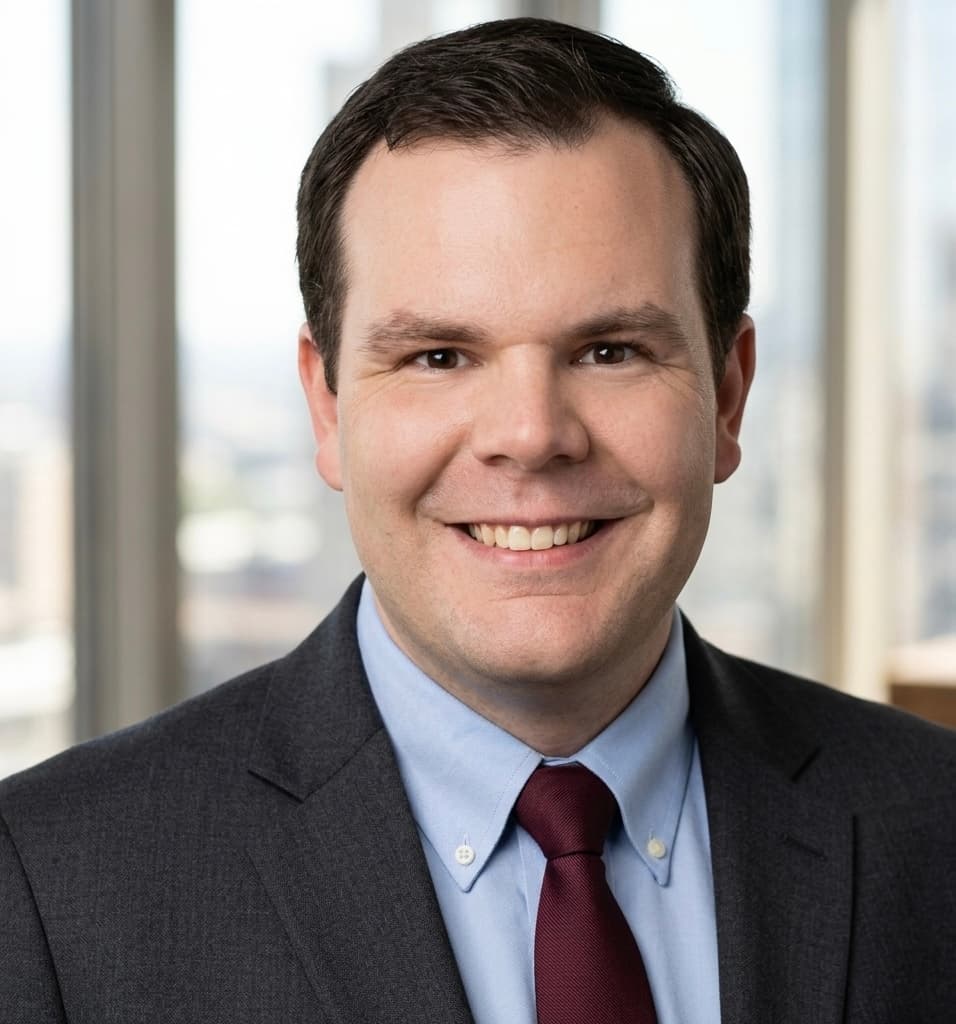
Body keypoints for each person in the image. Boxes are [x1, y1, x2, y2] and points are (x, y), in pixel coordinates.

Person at [2, 17, 954, 1024]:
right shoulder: (50, 889)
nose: (530, 435)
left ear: (725, 396)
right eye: (438, 357)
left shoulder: (931, 826)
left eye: (610, 350)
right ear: (326, 407)